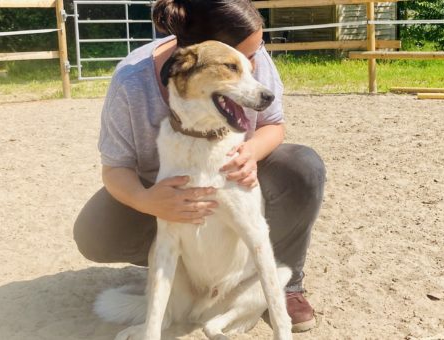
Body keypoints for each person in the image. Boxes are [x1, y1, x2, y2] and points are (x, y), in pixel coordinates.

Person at [73, 0, 325, 333]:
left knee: (303, 166)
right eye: (239, 60)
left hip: (235, 165)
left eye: (256, 53)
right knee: (94, 233)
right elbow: (115, 168)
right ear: (200, 52)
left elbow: (273, 125)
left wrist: (251, 151)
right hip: (159, 185)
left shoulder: (251, 58)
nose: (255, 64)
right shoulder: (131, 82)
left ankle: (286, 286)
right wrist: (145, 200)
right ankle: (182, 272)